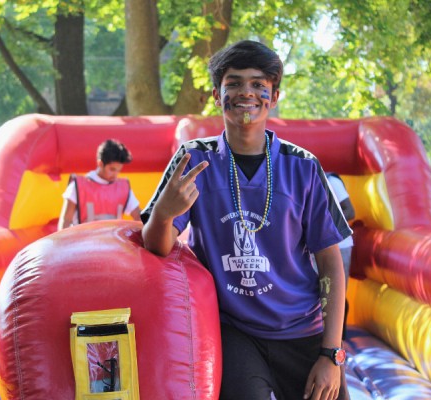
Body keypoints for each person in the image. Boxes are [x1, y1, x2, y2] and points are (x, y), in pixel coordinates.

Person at [141, 40, 352, 400]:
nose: (246, 93)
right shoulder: (192, 159)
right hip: (232, 329)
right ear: (215, 94)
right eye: (234, 83)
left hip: (302, 330)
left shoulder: (301, 165)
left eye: (258, 84)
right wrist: (163, 213)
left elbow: (330, 263)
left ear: (275, 95)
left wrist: (332, 353)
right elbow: (154, 246)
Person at [58, 139, 141, 230]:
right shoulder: (77, 186)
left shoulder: (123, 188)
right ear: (100, 164)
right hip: (83, 243)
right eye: (112, 169)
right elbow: (66, 220)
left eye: (118, 170)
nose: (115, 174)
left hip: (112, 243)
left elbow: (138, 216)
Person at [326, 172, 355, 340]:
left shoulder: (331, 181)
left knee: (338, 293)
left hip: (340, 245)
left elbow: (350, 211)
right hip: (318, 247)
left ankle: (340, 339)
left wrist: (325, 224)